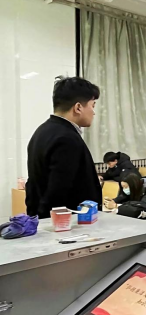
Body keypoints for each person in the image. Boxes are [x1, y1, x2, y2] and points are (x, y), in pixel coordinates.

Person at [26, 77, 102, 219]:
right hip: (66, 225)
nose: (93, 112)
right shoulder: (67, 138)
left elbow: (32, 186)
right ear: (78, 108)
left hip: (44, 221)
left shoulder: (41, 131)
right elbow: (58, 192)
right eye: (92, 105)